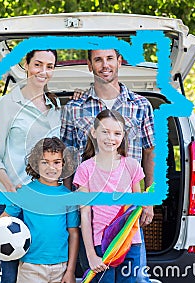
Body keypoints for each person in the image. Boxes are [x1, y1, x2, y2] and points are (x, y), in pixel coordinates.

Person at [60, 49, 154, 280]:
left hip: (127, 214)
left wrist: (148, 200)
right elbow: (68, 159)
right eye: (98, 60)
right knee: (98, 274)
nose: (105, 65)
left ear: (119, 62)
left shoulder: (141, 105)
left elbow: (151, 151)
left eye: (110, 58)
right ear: (90, 65)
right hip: (93, 217)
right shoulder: (74, 108)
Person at [0, 49, 61, 283]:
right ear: (26, 64)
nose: (43, 71)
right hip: (12, 201)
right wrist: (11, 187)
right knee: (10, 275)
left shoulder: (55, 107)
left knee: (45, 272)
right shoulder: (6, 104)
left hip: (47, 203)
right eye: (38, 64)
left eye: (49, 66)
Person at [0, 137, 80, 283]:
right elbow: (4, 219)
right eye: (45, 162)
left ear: (64, 165)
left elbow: (74, 233)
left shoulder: (68, 197)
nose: (51, 167)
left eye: (57, 162)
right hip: (30, 268)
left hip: (61, 268)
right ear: (35, 164)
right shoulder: (25, 193)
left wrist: (70, 271)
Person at [73, 109, 146, 282]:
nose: (110, 138)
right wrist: (91, 255)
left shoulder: (132, 166)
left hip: (130, 242)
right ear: (94, 132)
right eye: (105, 131)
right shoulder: (85, 169)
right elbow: (85, 213)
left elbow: (138, 206)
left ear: (123, 136)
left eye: (117, 133)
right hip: (101, 244)